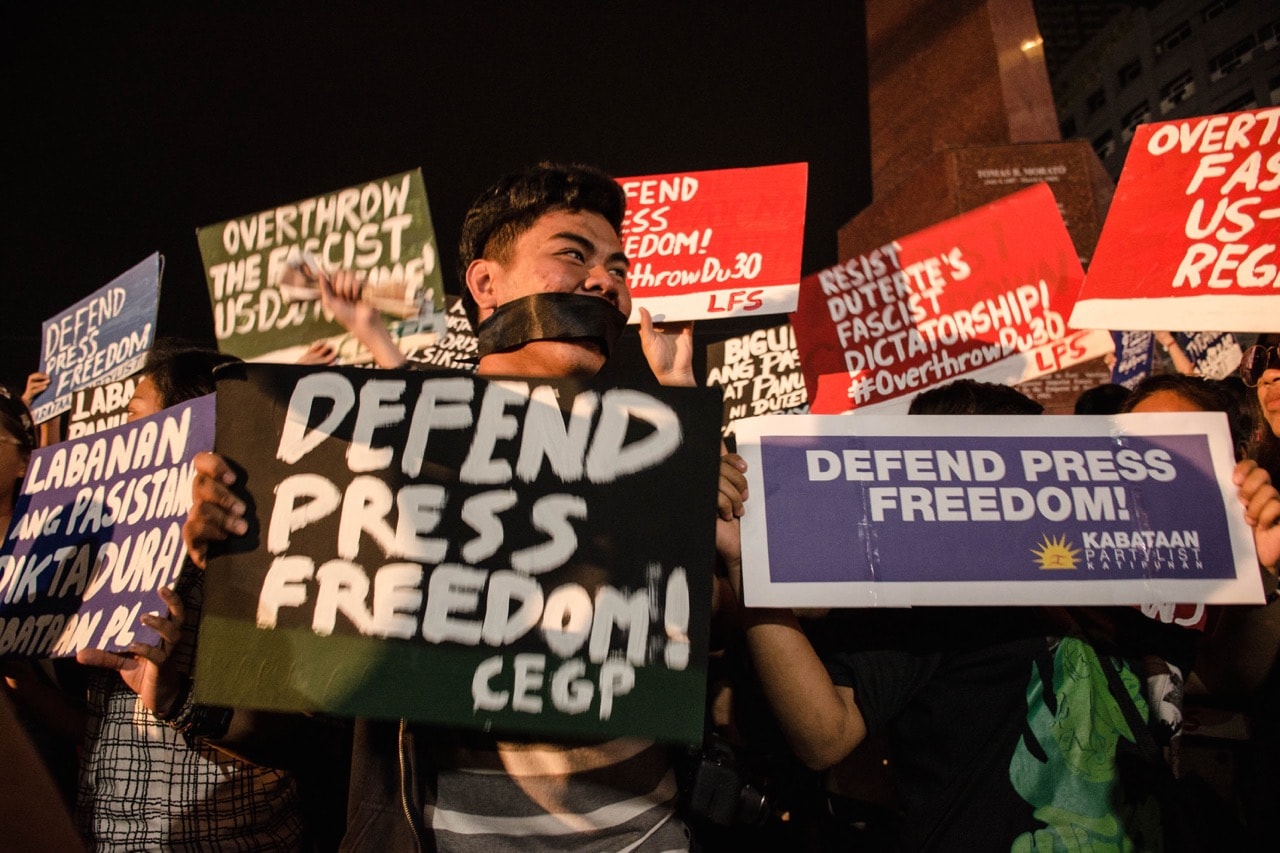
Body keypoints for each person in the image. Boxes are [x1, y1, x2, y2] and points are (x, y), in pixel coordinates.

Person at [183, 162, 712, 851]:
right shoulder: (380, 448)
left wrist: (708, 505)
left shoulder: (653, 451)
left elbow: (697, 647)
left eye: (618, 266)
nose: (604, 281)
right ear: (487, 284)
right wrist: (228, 555)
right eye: (573, 254)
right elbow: (290, 693)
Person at [718, 377, 1280, 850]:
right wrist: (751, 567)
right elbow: (824, 733)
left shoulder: (1134, 589)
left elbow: (1231, 676)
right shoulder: (931, 595)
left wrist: (1265, 574)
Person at [73, 338, 308, 852]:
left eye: (135, 419)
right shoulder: (105, 554)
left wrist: (181, 693)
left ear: (190, 428)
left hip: (227, 841)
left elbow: (305, 734)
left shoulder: (265, 548)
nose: (117, 437)